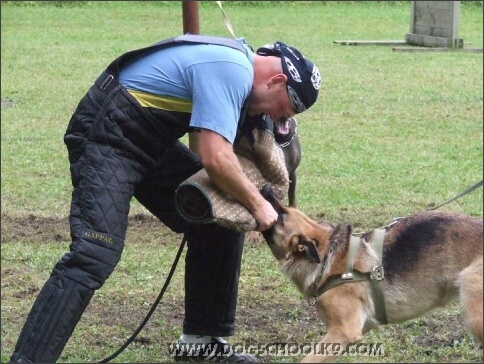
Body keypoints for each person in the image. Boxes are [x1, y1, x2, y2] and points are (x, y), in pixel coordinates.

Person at [10, 34, 321, 363]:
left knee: (214, 218)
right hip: (106, 133)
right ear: (276, 80)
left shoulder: (237, 67)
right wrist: (259, 206)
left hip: (147, 138)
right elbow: (215, 158)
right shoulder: (232, 69)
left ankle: (199, 344)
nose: (274, 119)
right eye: (280, 110)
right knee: (94, 252)